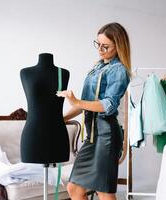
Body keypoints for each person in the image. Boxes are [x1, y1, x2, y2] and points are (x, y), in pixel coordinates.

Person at [56, 22, 131, 200]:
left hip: (106, 135)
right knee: (74, 188)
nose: (100, 50)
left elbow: (109, 105)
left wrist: (77, 101)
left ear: (118, 46)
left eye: (106, 46)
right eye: (98, 44)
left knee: (104, 191)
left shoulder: (119, 70)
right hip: (91, 136)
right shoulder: (97, 67)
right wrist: (60, 119)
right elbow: (84, 104)